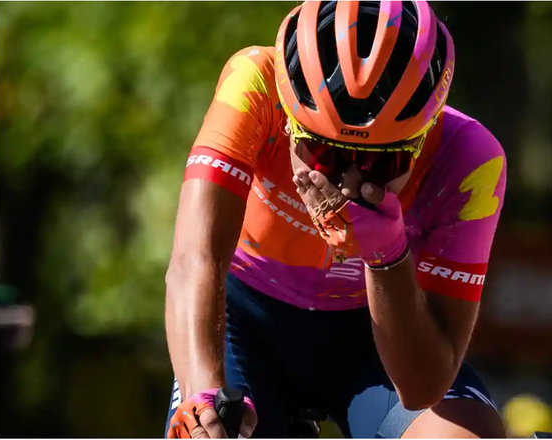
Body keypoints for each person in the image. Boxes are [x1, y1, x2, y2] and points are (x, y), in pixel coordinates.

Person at [165, 1, 507, 438]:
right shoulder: (254, 83)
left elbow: (423, 388)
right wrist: (203, 395)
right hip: (244, 327)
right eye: (323, 153)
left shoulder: (471, 158)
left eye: (380, 163)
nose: (347, 180)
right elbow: (195, 257)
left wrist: (386, 254)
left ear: (424, 137)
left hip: (370, 342)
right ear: (287, 121)